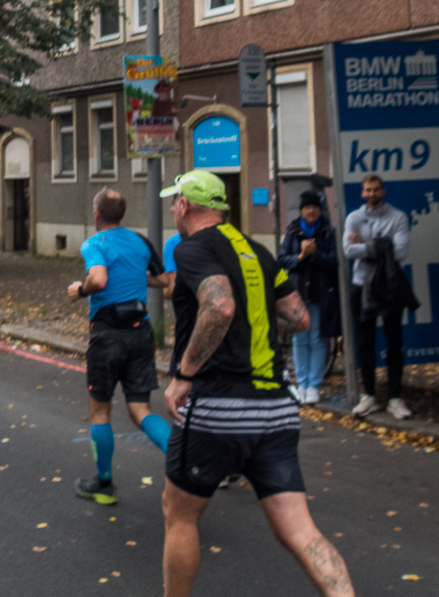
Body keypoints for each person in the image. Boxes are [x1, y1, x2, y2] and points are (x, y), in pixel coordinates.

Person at [160, 170, 354, 597]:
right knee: (301, 532)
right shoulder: (259, 251)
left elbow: (221, 306)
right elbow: (299, 317)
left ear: (186, 205)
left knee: (180, 515)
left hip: (217, 407)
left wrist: (182, 376)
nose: (173, 208)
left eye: (174, 201)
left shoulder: (191, 248)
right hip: (277, 409)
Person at [68, 188, 171, 504]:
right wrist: (135, 277)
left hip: (108, 334)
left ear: (97, 214)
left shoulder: (95, 243)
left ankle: (104, 485)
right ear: (121, 213)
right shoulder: (141, 242)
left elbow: (97, 280)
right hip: (141, 332)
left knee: (100, 410)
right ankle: (187, 461)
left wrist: (79, 290)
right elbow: (164, 281)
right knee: (140, 409)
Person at [343, 174, 413, 420]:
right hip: (361, 285)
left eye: (375, 190)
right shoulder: (354, 217)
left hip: (390, 286)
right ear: (362, 193)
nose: (371, 194)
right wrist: (382, 246)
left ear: (383, 191)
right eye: (367, 190)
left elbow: (401, 251)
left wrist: (367, 244)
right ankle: (369, 396)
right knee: (365, 342)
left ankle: (395, 398)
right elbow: (348, 250)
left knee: (395, 343)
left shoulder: (398, 217)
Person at [279, 190, 339, 405]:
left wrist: (316, 254)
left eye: (314, 207)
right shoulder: (293, 231)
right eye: (306, 207)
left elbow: (335, 262)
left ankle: (314, 385)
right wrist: (301, 256)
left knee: (316, 339)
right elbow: (282, 259)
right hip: (297, 295)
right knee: (299, 340)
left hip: (319, 293)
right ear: (301, 210)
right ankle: (301, 384)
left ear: (320, 209)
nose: (310, 211)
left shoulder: (328, 232)